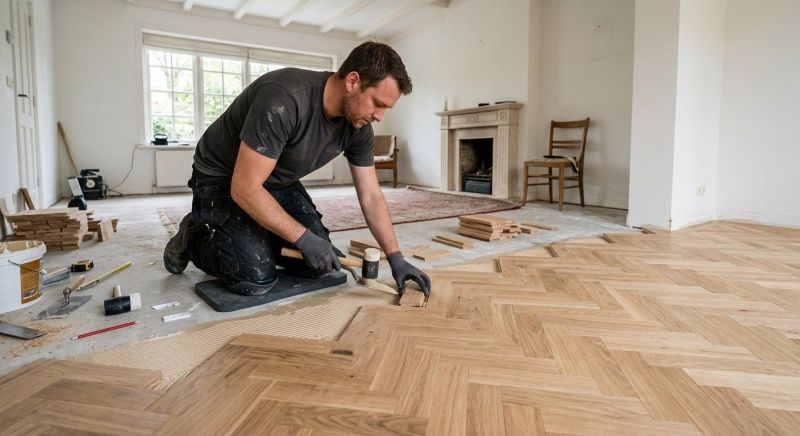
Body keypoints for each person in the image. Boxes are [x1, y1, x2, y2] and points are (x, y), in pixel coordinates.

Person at [163, 41, 431, 298]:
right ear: (353, 82)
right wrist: (302, 238)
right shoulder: (284, 99)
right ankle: (193, 234)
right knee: (254, 277)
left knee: (320, 264)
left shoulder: (359, 127)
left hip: (274, 179)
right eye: (378, 104)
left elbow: (372, 195)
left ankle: (255, 233)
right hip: (223, 177)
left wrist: (396, 257)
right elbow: (244, 188)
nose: (380, 116)